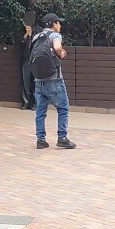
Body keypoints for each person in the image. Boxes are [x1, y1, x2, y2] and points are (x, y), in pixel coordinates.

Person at [29, 13, 76, 149]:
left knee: (40, 112)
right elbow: (56, 47)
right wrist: (61, 53)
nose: (60, 25)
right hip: (54, 80)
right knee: (63, 108)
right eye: (58, 23)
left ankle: (41, 140)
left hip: (38, 80)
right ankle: (62, 138)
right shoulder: (55, 35)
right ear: (53, 24)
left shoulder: (36, 37)